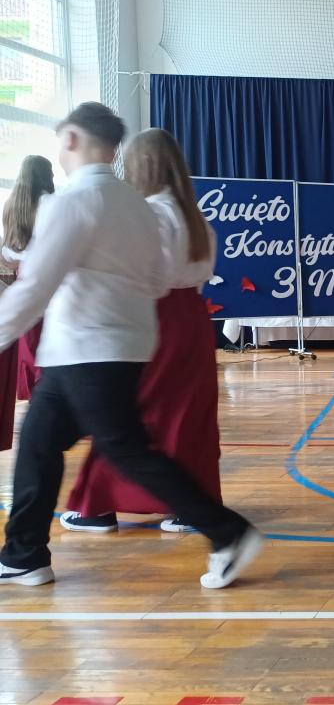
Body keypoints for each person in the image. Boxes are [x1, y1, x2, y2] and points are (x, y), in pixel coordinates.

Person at [0, 102, 260, 588]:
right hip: (106, 347)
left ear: (72, 139)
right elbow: (157, 280)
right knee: (39, 446)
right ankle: (24, 554)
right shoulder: (136, 206)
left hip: (87, 350)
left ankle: (228, 532)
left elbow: (35, 284)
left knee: (128, 451)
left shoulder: (73, 202)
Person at [60, 128, 223, 535]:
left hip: (154, 317)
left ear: (139, 165)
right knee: (188, 413)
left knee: (126, 411)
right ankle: (190, 506)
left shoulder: (149, 213)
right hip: (192, 319)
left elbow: (144, 276)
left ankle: (99, 505)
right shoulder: (193, 215)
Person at [2, 155, 55, 400]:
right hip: (49, 280)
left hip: (23, 280)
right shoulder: (50, 204)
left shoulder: (11, 206)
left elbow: (8, 252)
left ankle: (36, 398)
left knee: (31, 346)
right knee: (48, 347)